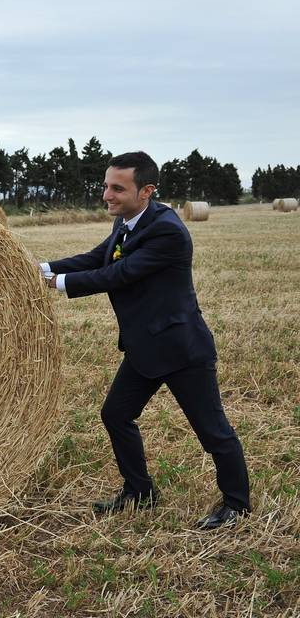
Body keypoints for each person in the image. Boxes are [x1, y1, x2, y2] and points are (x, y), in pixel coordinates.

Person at [39, 151, 250, 530]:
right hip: (144, 347)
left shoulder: (167, 229)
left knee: (212, 431)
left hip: (180, 348)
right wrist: (42, 268)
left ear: (147, 190)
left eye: (118, 188)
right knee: (115, 414)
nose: (107, 194)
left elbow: (119, 274)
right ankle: (140, 491)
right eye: (106, 185)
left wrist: (58, 284)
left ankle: (237, 504)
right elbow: (98, 258)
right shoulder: (128, 221)